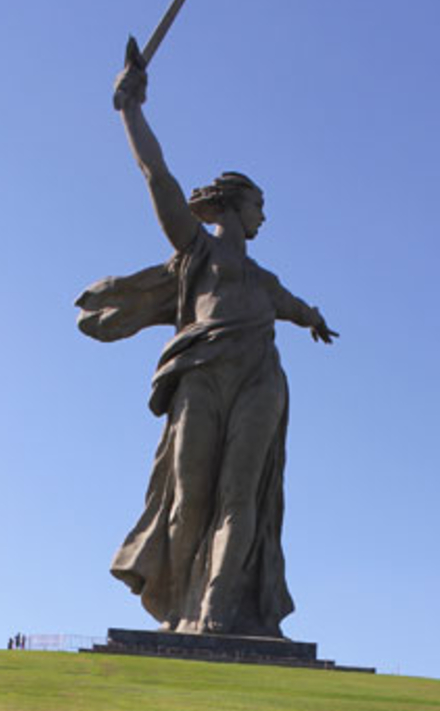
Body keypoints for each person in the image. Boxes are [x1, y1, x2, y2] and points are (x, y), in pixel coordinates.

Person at [76, 54, 337, 638]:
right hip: (201, 375)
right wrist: (131, 110)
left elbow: (294, 307)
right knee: (190, 498)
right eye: (258, 206)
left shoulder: (265, 282)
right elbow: (158, 177)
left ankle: (218, 611)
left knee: (240, 495)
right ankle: (179, 608)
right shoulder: (197, 250)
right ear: (232, 205)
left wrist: (314, 318)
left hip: (259, 379)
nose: (264, 216)